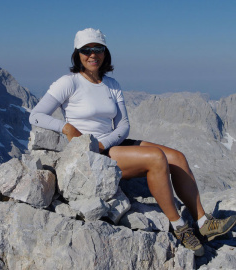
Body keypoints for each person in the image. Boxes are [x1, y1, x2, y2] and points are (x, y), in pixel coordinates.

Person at [29, 28, 236, 256]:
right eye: (86, 50)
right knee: (156, 159)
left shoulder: (112, 84)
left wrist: (104, 142)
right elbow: (36, 115)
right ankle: (180, 228)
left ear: (105, 53)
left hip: (109, 145)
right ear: (77, 54)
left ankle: (204, 221)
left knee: (176, 157)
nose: (92, 54)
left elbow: (124, 125)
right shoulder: (68, 82)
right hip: (88, 153)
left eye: (98, 49)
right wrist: (66, 127)